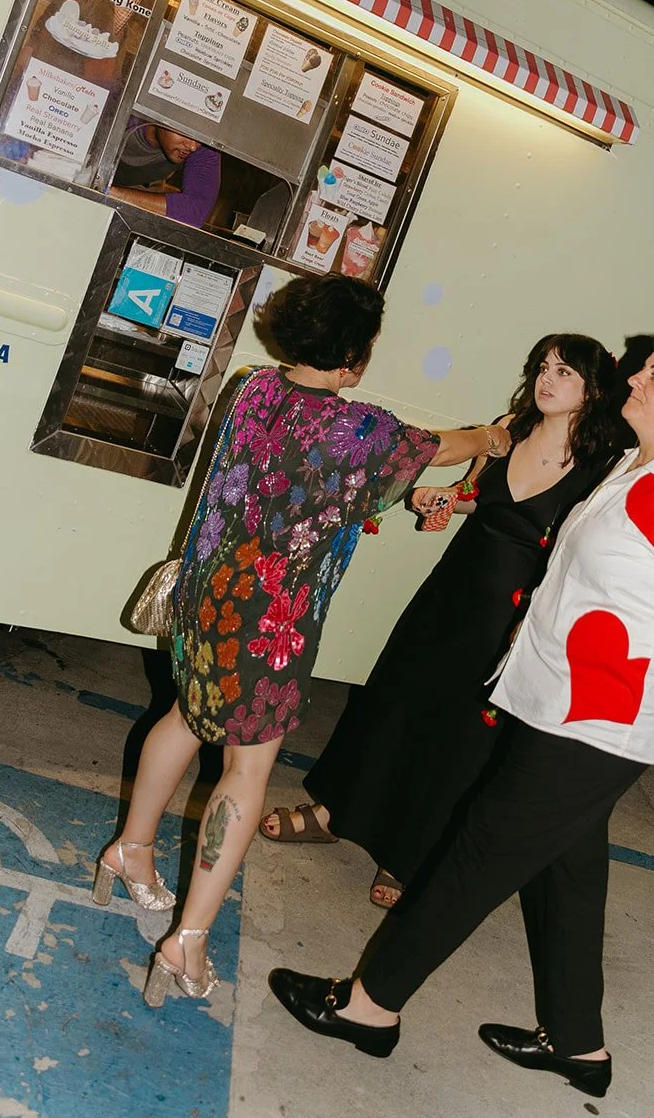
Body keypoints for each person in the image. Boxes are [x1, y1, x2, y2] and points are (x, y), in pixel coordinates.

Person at [268, 335, 654, 1097]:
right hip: (561, 702)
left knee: (473, 859)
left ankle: (369, 1007)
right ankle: (576, 1046)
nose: (633, 377)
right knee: (568, 879)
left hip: (593, 726)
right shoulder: (638, 465)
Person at [93, 273, 509, 1006]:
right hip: (268, 627)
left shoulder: (254, 387)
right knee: (245, 776)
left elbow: (304, 479)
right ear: (354, 353)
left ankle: (130, 849)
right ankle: (186, 943)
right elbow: (444, 447)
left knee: (183, 720)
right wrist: (492, 436)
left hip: (204, 596)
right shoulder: (361, 430)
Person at [260, 334, 621, 909]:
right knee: (394, 696)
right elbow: (476, 494)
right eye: (543, 368)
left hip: (513, 613)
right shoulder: (509, 428)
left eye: (565, 373)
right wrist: (444, 500)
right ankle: (332, 811)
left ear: (592, 388)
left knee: (462, 733)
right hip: (453, 590)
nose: (547, 380)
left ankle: (411, 855)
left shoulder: (604, 465)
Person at [108, 116, 221, 228]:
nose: (193, 147)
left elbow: (196, 212)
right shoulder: (123, 115)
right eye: (186, 131)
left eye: (200, 136)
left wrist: (109, 192)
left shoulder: (202, 147)